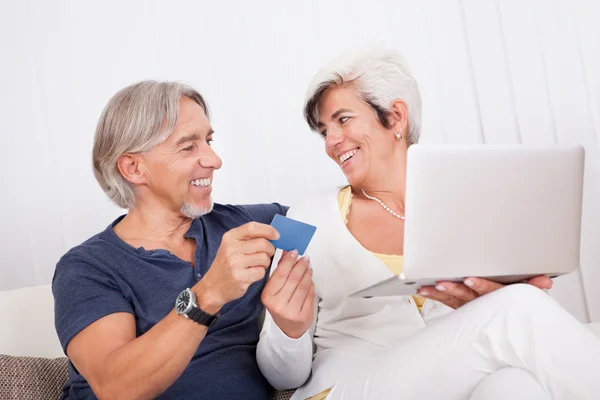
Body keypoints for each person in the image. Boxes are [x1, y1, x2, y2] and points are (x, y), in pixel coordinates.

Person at [256, 48, 600, 400]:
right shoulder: (301, 217)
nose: (331, 142)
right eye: (324, 131)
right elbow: (281, 376)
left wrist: (484, 303)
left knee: (517, 386)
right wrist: (288, 330)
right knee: (517, 309)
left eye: (342, 120)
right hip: (345, 389)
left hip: (451, 382)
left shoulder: (469, 207)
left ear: (396, 117)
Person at [52, 81, 302, 399]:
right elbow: (116, 388)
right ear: (133, 167)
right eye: (188, 146)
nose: (214, 160)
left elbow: (335, 223)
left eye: (208, 141)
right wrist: (208, 294)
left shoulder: (245, 224)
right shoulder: (88, 268)